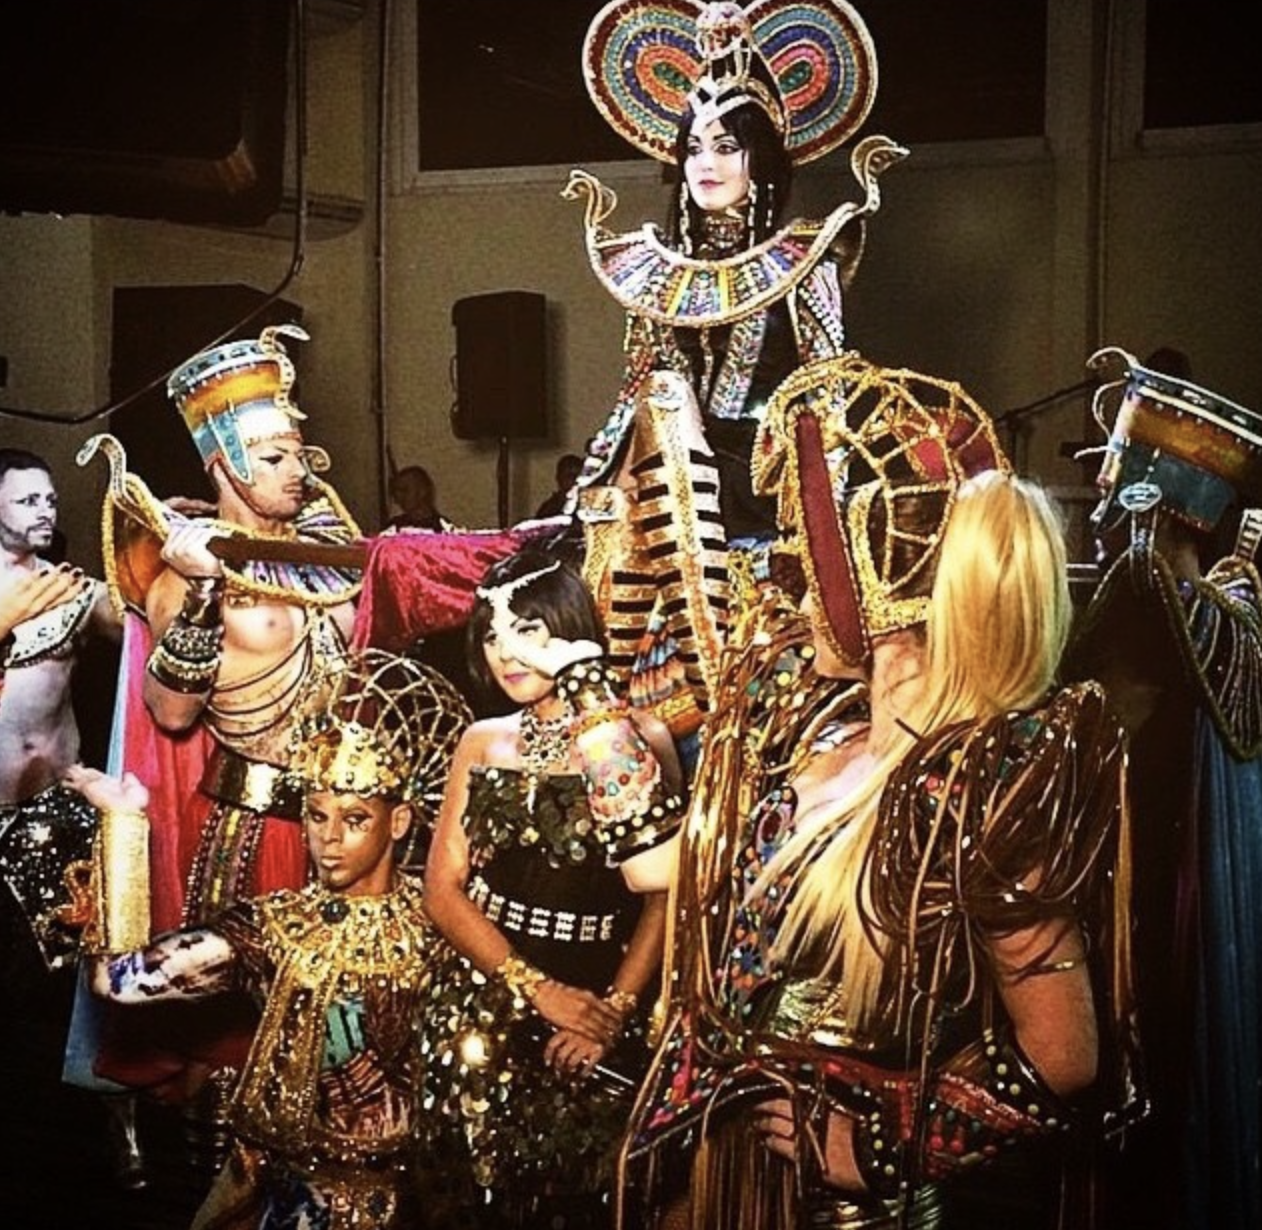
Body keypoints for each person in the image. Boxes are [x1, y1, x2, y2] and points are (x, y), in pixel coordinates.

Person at [617, 354, 1140, 1230]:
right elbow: (663, 874)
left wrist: (883, 1146)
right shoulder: (820, 737)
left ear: (871, 591)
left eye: (810, 558)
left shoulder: (981, 784)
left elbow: (1066, 1054)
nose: (791, 585)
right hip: (737, 1184)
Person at [564, 0, 904, 747]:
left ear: (765, 158)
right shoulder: (654, 275)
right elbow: (633, 398)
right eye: (693, 147)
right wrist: (583, 503)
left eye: (727, 146)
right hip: (671, 502)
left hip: (766, 502)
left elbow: (827, 403)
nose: (706, 164)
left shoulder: (808, 263)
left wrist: (825, 540)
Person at [72, 324, 362, 1129]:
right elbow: (170, 712)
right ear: (225, 465)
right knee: (240, 1048)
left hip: (347, 818)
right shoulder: (185, 578)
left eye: (299, 453)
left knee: (340, 1047)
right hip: (256, 828)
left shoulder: (328, 551)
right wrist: (203, 589)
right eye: (273, 458)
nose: (298, 471)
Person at [70, 645, 471, 1229]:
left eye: (355, 819)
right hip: (288, 1198)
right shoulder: (276, 929)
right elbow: (119, 981)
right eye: (316, 815)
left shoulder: (444, 918)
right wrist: (124, 826)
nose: (329, 839)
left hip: (419, 1199)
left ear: (400, 821)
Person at [416, 546, 686, 1228]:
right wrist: (537, 991)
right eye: (490, 635)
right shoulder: (481, 741)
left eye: (528, 630)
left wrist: (613, 1013)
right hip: (485, 997)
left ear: (570, 628)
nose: (505, 653)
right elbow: (442, 890)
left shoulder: (638, 737)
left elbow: (665, 898)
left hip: (603, 1000)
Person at [1064, 345, 1262, 1230]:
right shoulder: (1235, 614)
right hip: (1205, 906)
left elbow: (1087, 734)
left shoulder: (1145, 597)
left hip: (1144, 903)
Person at [0, 447, 140, 1189]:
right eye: (27, 499)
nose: (44, 510)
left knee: (87, 977)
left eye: (50, 499)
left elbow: (139, 621)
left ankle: (111, 1133)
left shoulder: (73, 590)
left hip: (60, 813)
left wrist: (152, 543)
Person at [384, 463, 457, 533]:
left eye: (404, 490)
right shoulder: (393, 528)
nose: (398, 497)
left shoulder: (443, 528)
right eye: (396, 492)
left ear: (422, 491)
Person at [534, 452, 584, 520]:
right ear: (559, 478)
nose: (574, 479)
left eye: (577, 475)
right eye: (569, 475)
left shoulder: (590, 505)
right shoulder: (549, 509)